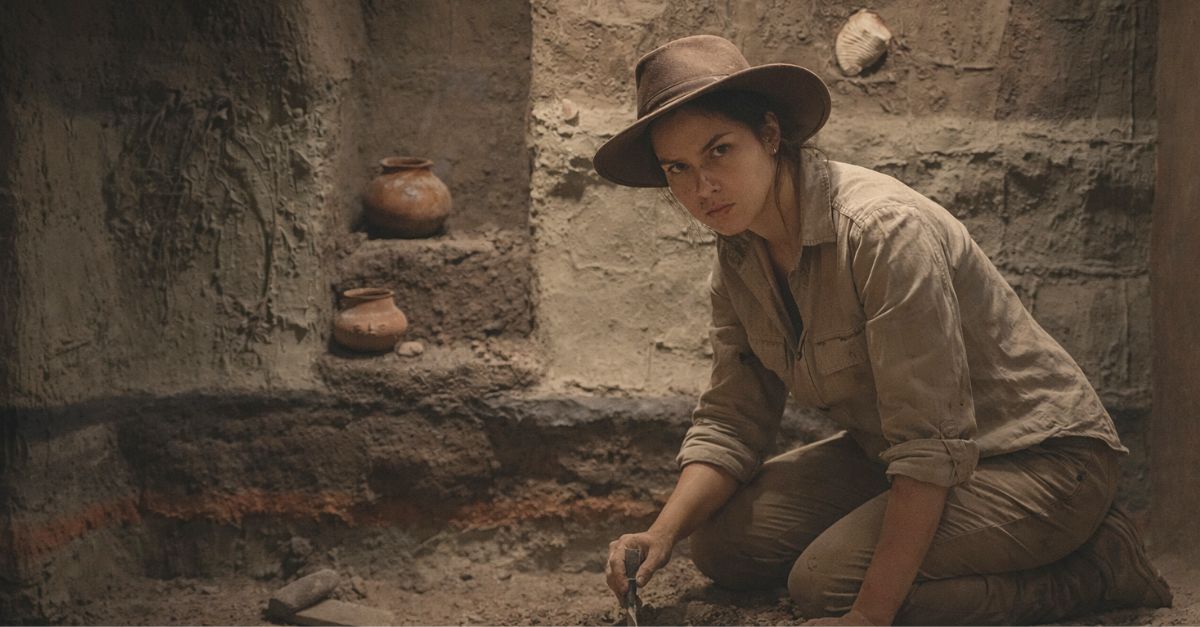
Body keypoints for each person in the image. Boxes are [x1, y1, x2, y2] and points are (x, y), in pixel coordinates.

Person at [591, 35, 1173, 626]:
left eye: (719, 151)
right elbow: (732, 419)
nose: (701, 188)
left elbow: (930, 444)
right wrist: (661, 534)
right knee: (723, 543)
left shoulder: (882, 232)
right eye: (678, 169)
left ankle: (1097, 566)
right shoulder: (740, 255)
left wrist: (867, 617)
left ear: (769, 135)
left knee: (826, 587)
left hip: (1037, 462)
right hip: (891, 454)